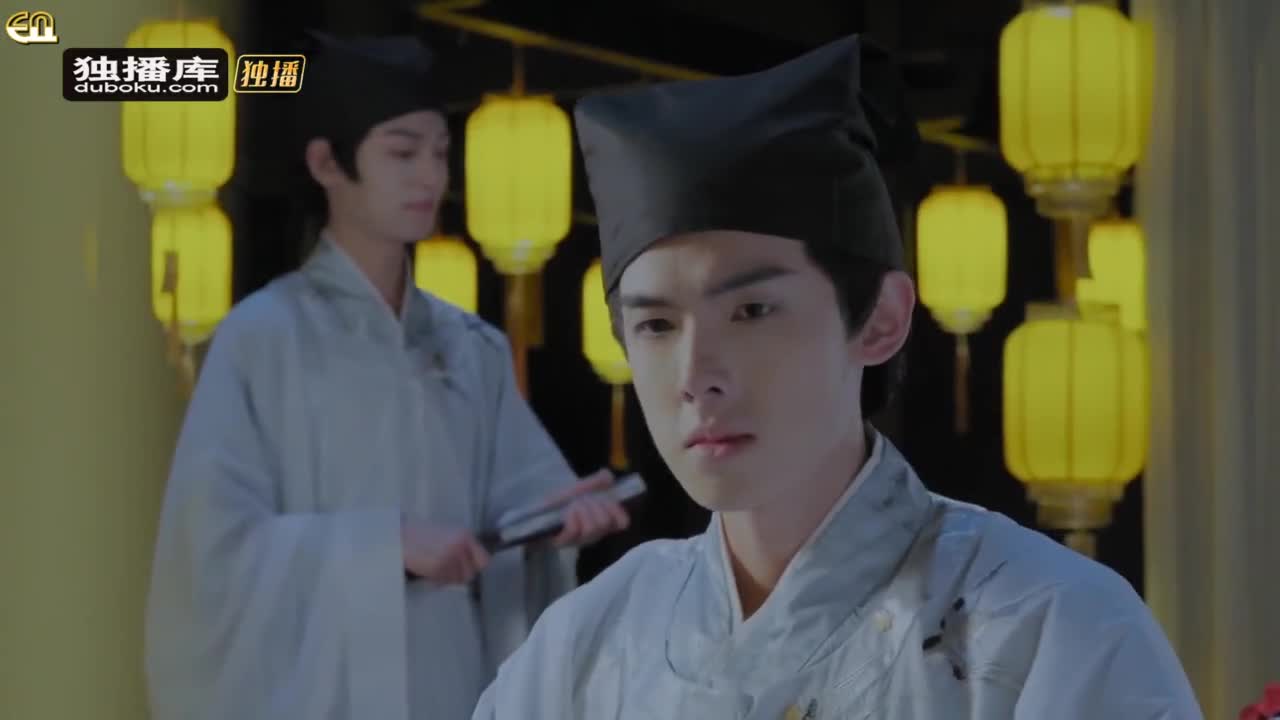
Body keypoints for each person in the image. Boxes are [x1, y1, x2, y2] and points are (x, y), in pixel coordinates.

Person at [471, 34, 1204, 719]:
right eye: (657, 325)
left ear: (881, 319)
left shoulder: (1047, 626)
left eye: (752, 311)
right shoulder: (586, 644)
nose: (695, 376)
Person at [143, 31, 629, 720]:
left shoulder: (472, 349)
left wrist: (558, 524)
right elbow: (210, 558)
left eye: (439, 153)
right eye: (402, 153)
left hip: (450, 683)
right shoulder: (263, 337)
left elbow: (518, 510)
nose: (429, 177)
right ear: (327, 163)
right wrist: (384, 544)